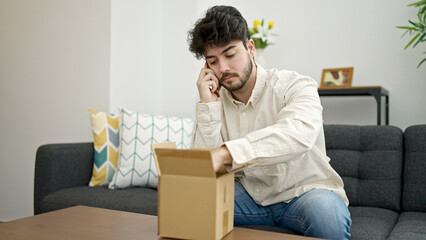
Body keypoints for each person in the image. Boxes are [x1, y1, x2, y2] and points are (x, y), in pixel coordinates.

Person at [187, 5, 351, 240]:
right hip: (248, 199)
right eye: (213, 61)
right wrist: (208, 106)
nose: (223, 68)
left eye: (230, 55)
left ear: (250, 47)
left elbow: (296, 135)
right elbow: (205, 172)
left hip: (304, 194)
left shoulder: (296, 86)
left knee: (328, 219)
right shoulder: (215, 99)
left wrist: (227, 153)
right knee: (194, 202)